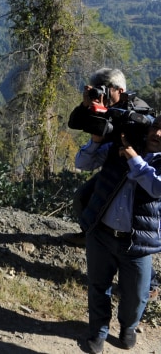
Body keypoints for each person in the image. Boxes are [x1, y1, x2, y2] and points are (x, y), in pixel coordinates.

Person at [75, 114, 161, 353]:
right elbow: (82, 163)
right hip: (101, 233)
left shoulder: (140, 156)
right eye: (156, 127)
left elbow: (156, 187)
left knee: (136, 296)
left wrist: (134, 159)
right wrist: (95, 140)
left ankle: (128, 328)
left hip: (138, 244)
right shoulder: (120, 147)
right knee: (98, 287)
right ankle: (97, 333)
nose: (158, 133)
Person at [63, 68, 151, 246]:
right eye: (97, 88)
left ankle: (127, 246)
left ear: (120, 90)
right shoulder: (103, 106)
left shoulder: (136, 110)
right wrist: (86, 105)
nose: (100, 93)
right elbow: (74, 123)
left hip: (133, 171)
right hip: (111, 164)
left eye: (104, 89)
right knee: (82, 197)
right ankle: (89, 234)